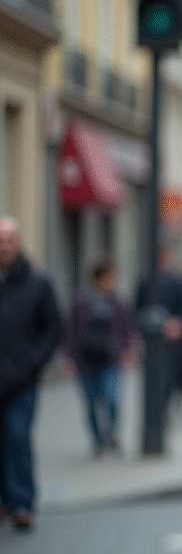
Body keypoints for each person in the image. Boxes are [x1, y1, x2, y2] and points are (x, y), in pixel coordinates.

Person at [0, 216, 62, 530]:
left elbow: (54, 326)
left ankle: (22, 502)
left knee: (17, 437)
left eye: (9, 241)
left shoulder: (38, 283)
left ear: (19, 244)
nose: (4, 248)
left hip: (22, 380)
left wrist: (35, 360)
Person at [67, 259, 133, 457]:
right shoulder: (81, 301)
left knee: (111, 398)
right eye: (109, 277)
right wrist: (68, 357)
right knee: (90, 402)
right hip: (86, 360)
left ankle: (111, 435)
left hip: (110, 359)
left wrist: (128, 350)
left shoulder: (119, 302)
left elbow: (128, 328)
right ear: (99, 278)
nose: (113, 281)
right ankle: (97, 439)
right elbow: (70, 330)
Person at [134, 248, 182, 412]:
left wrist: (179, 324)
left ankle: (163, 407)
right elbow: (137, 310)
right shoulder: (145, 281)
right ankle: (156, 409)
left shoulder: (178, 283)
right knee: (153, 378)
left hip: (173, 340)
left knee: (170, 376)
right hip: (152, 340)